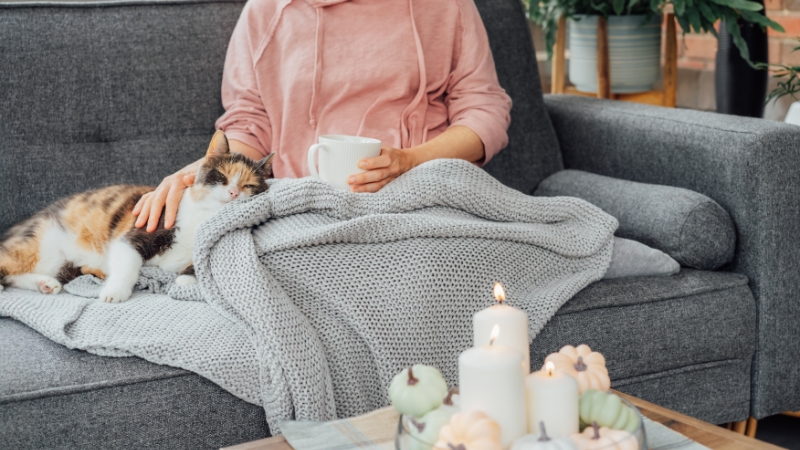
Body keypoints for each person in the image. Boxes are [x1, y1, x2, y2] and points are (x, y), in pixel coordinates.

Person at [133, 0, 512, 232]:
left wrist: (409, 160)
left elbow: (484, 109)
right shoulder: (265, 11)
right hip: (303, 214)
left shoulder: (447, 6)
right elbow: (251, 125)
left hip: (424, 204)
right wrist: (195, 173)